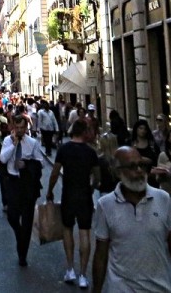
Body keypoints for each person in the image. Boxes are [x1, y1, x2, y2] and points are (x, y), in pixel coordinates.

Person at [90, 147, 171, 293]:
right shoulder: (105, 205)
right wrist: (96, 290)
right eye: (132, 166)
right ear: (118, 172)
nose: (139, 170)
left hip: (159, 288)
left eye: (141, 165)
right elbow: (101, 254)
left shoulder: (163, 199)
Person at [46, 119, 98, 288]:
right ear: (84, 132)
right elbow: (97, 177)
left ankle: (70, 269)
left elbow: (55, 173)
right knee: (85, 232)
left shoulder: (64, 149)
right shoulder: (91, 152)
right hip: (85, 195)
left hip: (68, 194)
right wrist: (91, 189)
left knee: (67, 230)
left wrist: (49, 191)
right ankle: (83, 274)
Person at [0, 114, 45, 266]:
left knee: (27, 221)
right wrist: (13, 144)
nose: (19, 130)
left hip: (27, 185)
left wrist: (27, 164)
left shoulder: (32, 143)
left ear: (26, 128)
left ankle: (22, 254)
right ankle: (20, 235)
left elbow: (40, 163)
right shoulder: (7, 140)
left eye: (22, 128)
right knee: (12, 216)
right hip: (12, 183)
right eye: (17, 127)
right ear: (13, 127)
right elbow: (3, 159)